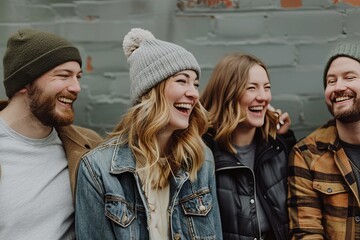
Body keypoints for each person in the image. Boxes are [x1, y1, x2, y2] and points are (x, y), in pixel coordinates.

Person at [75, 28, 223, 240]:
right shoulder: (98, 169)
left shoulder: (200, 159)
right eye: (182, 80)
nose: (194, 93)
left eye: (196, 84)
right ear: (151, 90)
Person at [0, 28, 102, 239]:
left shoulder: (88, 145)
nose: (77, 87)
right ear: (24, 84)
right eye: (64, 76)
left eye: (78, 77)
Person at [201, 53, 296, 240]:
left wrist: (285, 138)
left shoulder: (278, 148)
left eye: (266, 88)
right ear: (227, 93)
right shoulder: (203, 154)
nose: (263, 97)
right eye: (251, 88)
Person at [288, 42, 360, 239]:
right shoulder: (307, 154)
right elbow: (306, 233)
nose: (338, 87)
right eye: (331, 81)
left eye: (349, 77)